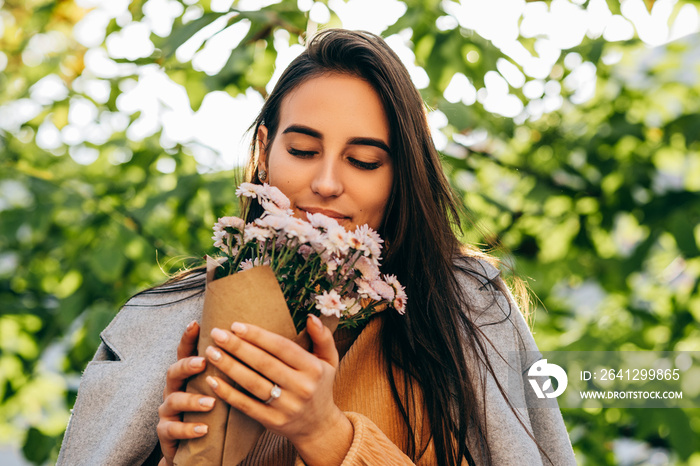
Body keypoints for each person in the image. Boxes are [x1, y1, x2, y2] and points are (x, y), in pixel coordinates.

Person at [57, 29, 576, 466]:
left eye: (365, 160)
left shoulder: (468, 310)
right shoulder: (166, 318)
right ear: (263, 150)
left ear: (402, 175)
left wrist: (325, 433)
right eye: (303, 150)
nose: (327, 182)